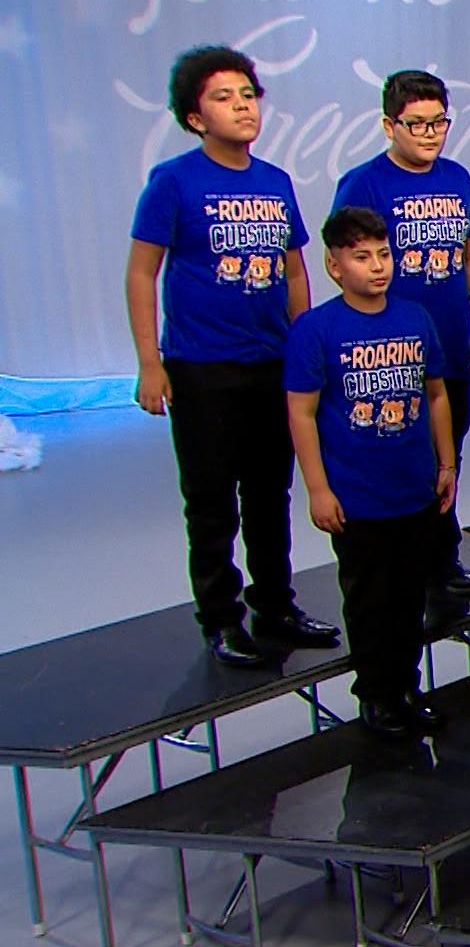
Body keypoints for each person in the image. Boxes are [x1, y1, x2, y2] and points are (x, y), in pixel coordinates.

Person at [128, 44, 338, 665]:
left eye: (248, 95)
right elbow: (142, 273)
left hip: (272, 362)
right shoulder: (173, 182)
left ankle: (275, 603)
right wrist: (150, 362)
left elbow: (294, 270)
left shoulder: (275, 181)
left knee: (271, 493)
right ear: (196, 117)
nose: (243, 106)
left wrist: (304, 344)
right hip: (201, 365)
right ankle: (221, 618)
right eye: (224, 97)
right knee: (212, 499)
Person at [333, 68, 470, 599]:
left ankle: (441, 558)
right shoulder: (363, 184)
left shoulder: (457, 179)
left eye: (439, 122)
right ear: (390, 125)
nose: (430, 133)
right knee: (404, 452)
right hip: (391, 351)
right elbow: (348, 260)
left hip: (449, 342)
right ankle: (406, 564)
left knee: (449, 453)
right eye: (417, 123)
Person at [285, 207, 452, 735]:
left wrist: (447, 462)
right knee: (369, 600)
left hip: (414, 488)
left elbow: (437, 394)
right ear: (335, 266)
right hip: (357, 497)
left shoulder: (415, 318)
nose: (378, 266)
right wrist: (317, 488)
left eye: (384, 254)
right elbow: (302, 413)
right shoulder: (316, 329)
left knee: (410, 597)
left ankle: (407, 686)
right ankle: (377, 695)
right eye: (362, 257)